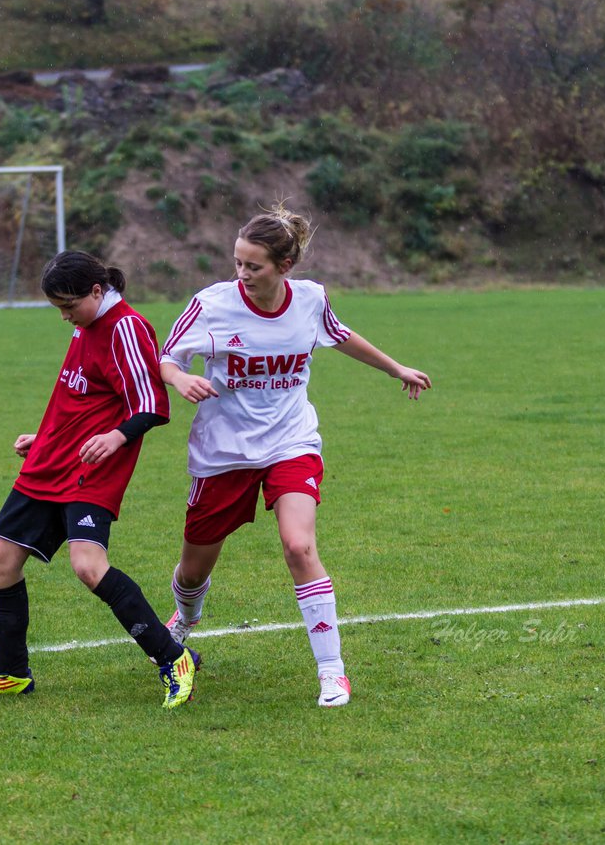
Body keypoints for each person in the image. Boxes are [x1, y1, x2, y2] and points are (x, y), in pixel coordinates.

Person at [158, 205, 431, 707]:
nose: (241, 273)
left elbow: (340, 334)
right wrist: (181, 379)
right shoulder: (211, 304)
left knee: (299, 547)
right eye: (238, 262)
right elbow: (167, 356)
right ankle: (188, 614)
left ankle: (332, 671)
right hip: (224, 451)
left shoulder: (310, 299)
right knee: (193, 569)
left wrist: (396, 369)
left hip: (291, 441)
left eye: (253, 265)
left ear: (285, 266)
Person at [0, 250, 201, 709]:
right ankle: (12, 673)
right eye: (59, 308)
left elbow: (151, 403)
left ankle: (173, 658)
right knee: (1, 563)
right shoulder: (86, 324)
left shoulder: (126, 328)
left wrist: (116, 437)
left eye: (69, 306)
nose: (65, 317)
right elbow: (82, 396)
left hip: (91, 469)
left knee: (87, 566)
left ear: (98, 291)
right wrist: (44, 438)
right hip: (51, 460)